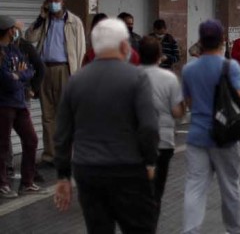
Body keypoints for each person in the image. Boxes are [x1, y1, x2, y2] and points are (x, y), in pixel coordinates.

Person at [52, 18, 159, 232]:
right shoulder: (137, 77)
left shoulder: (76, 80)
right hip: (128, 169)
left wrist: (63, 176)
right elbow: (148, 127)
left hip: (88, 171)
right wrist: (150, 162)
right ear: (123, 46)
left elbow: (62, 134)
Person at [181, 20, 240, 234]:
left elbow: (188, 102)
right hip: (225, 135)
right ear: (222, 40)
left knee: (195, 186)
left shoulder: (189, 69)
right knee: (229, 185)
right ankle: (234, 230)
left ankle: (190, 230)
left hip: (197, 134)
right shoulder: (230, 67)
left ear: (200, 41)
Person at [26, 0, 85, 168]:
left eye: (55, 0)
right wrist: (40, 17)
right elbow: (29, 37)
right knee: (47, 116)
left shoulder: (74, 22)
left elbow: (81, 49)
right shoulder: (44, 21)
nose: (53, 4)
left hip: (64, 70)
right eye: (49, 1)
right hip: (44, 70)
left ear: (63, 2)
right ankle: (50, 155)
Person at [137, 35, 184, 207]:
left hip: (136, 142)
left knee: (139, 190)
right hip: (163, 141)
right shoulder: (169, 78)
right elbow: (177, 111)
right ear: (159, 55)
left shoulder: (130, 76)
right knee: (157, 191)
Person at [0, 15, 40, 198]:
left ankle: (27, 182)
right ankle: (2, 184)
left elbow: (30, 70)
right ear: (9, 30)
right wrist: (18, 75)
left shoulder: (14, 50)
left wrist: (19, 75)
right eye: (15, 28)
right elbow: (7, 81)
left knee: (31, 139)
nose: (17, 31)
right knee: (3, 145)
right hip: (4, 104)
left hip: (19, 102)